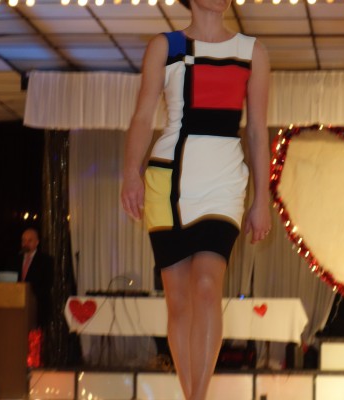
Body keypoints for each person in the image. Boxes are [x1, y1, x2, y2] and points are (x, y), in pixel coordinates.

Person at [120, 0, 271, 397]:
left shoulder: (252, 51)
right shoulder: (165, 46)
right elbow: (142, 116)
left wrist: (263, 199)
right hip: (168, 179)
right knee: (178, 301)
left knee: (207, 284)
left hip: (225, 182)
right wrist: (130, 173)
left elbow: (257, 130)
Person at [7, 228, 53, 328]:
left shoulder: (46, 260)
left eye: (29, 240)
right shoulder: (15, 260)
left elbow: (47, 284)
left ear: (37, 242)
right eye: (23, 240)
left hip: (37, 308)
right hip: (16, 307)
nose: (26, 244)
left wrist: (29, 292)